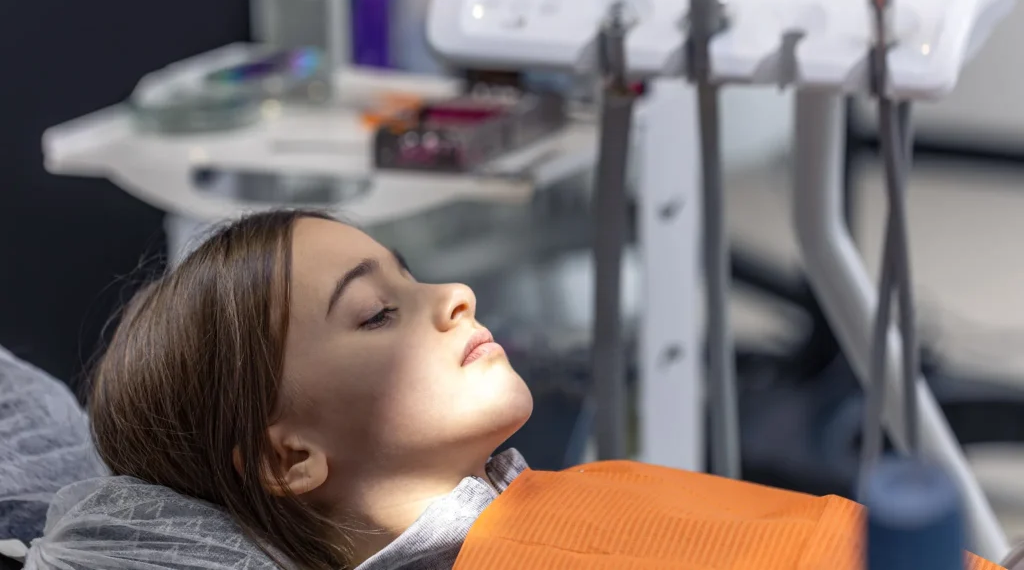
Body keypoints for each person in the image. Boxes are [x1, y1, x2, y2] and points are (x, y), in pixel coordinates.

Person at [76, 209, 1004, 570]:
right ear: (289, 455)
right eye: (375, 314)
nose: (453, 295)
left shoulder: (562, 500)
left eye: (412, 276)